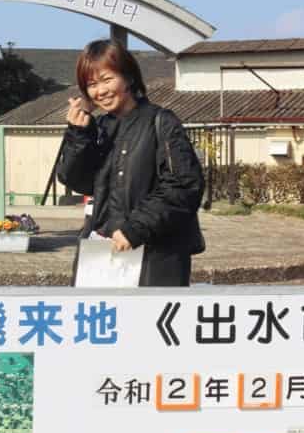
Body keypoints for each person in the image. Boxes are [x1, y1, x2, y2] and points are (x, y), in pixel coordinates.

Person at [57, 38, 205, 286]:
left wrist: (136, 228)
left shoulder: (161, 122)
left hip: (155, 256)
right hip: (103, 252)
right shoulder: (99, 127)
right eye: (91, 85)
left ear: (128, 77)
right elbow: (77, 181)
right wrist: (79, 135)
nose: (100, 91)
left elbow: (184, 186)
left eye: (107, 79)